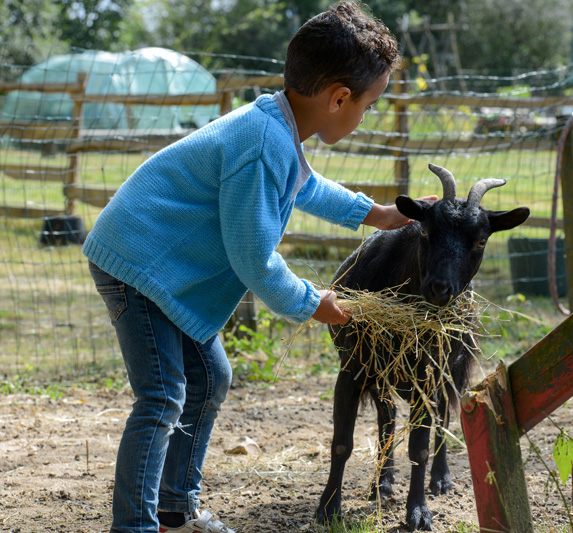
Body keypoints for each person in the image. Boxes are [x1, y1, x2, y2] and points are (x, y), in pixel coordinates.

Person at [83, 3, 421, 532]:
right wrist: (312, 302)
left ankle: (177, 507)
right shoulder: (263, 143)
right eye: (370, 104)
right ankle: (135, 525)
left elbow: (305, 185)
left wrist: (375, 214)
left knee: (211, 376)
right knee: (163, 394)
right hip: (137, 263)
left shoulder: (277, 126)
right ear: (338, 98)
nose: (367, 114)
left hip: (162, 268)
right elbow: (253, 259)